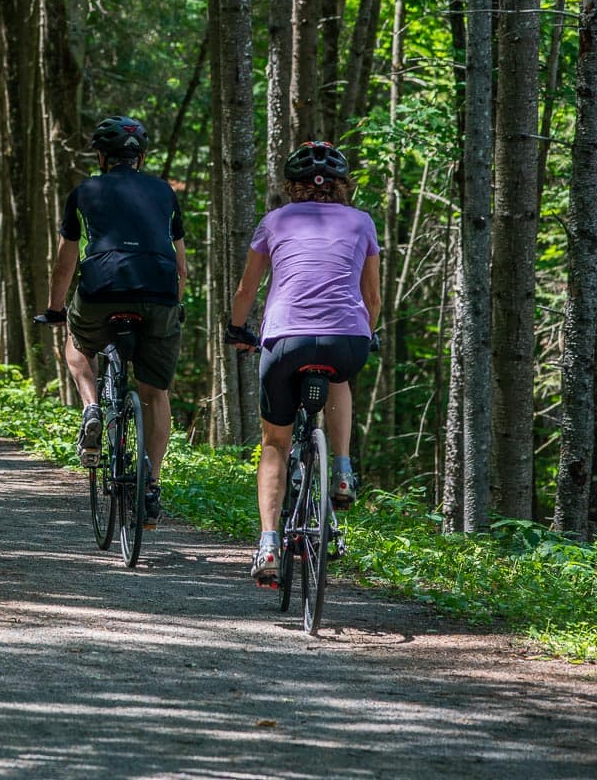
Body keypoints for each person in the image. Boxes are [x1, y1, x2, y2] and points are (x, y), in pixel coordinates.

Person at [226, 140, 381, 586]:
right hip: (345, 339)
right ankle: (344, 467)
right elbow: (372, 298)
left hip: (285, 340)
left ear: (292, 186)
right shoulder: (362, 222)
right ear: (342, 186)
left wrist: (239, 331)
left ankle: (269, 543)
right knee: (339, 377)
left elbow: (246, 291)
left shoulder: (275, 220)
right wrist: (367, 334)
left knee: (275, 441)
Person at [38, 115, 188, 527]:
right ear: (141, 157)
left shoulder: (85, 191)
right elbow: (181, 265)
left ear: (101, 156)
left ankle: (90, 408)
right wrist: (174, 303)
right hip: (159, 292)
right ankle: (152, 484)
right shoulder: (162, 192)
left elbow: (65, 261)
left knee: (76, 341)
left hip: (102, 289)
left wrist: (55, 309)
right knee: (155, 393)